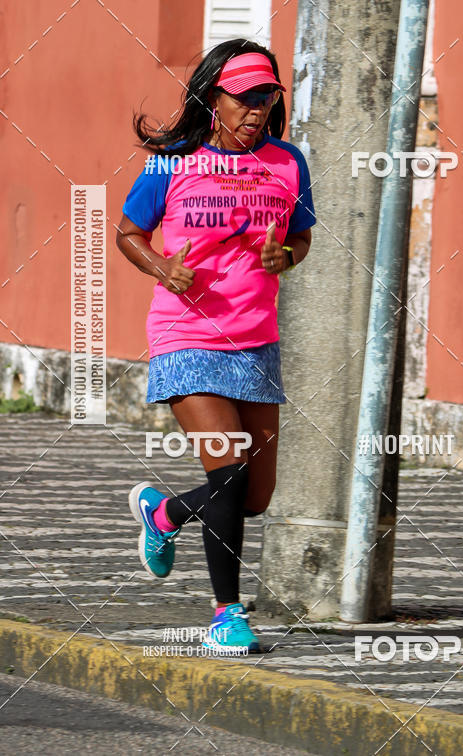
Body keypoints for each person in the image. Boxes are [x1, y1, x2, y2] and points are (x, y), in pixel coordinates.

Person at [116, 39, 316, 654]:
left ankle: (167, 512)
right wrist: (161, 268)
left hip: (255, 338)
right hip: (186, 334)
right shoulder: (170, 163)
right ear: (214, 99)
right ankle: (226, 615)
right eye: (244, 97)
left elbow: (301, 238)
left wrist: (286, 256)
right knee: (230, 473)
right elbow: (129, 232)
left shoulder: (288, 164)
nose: (256, 110)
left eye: (266, 98)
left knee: (254, 496)